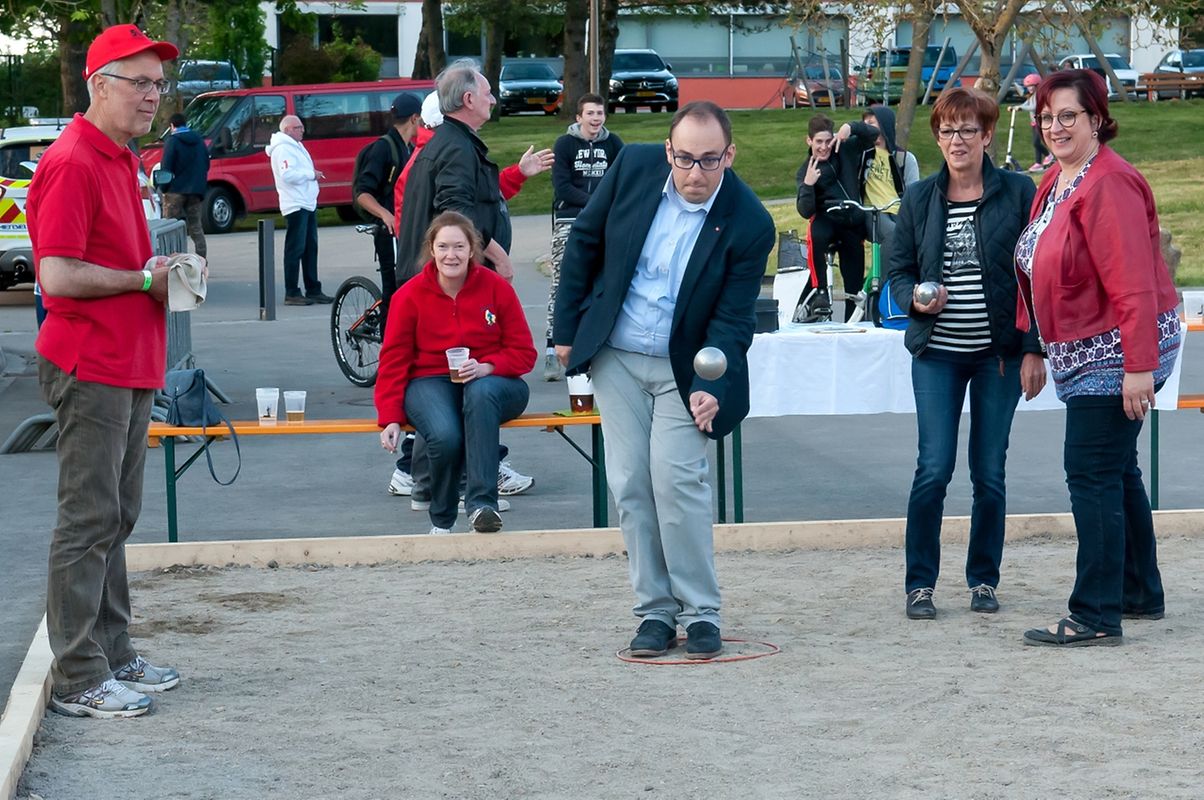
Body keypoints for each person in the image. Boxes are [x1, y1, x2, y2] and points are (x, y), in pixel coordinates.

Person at [554, 101, 775, 660]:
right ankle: (654, 612)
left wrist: (712, 384)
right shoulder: (633, 167)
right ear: (668, 150)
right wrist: (566, 329)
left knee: (676, 482)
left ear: (730, 155)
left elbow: (733, 319)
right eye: (684, 159)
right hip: (618, 355)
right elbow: (584, 241)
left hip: (687, 367)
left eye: (709, 160)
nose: (695, 173)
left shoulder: (750, 222)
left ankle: (701, 613)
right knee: (630, 482)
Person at [27, 23, 183, 719]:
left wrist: (158, 273)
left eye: (159, 84)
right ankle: (79, 674)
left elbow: (111, 260)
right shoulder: (73, 161)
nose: (153, 95)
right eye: (139, 82)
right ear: (99, 85)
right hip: (91, 362)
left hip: (126, 360)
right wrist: (142, 279)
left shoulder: (120, 157)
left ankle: (112, 652)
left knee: (115, 517)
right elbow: (57, 275)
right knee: (88, 520)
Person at [1016, 69, 1181, 647]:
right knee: (1115, 468)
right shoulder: (1059, 178)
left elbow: (1133, 281)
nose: (1055, 126)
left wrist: (1137, 366)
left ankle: (1095, 614)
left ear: (1096, 119)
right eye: (1047, 117)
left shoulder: (1108, 183)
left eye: (1069, 116)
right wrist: (1036, 344)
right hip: (1084, 344)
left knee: (1090, 472)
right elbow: (1039, 266)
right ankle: (1138, 591)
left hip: (1118, 347)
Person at [886, 87, 1043, 621]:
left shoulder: (1018, 192)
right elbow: (898, 272)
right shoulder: (919, 199)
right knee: (933, 468)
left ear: (987, 135)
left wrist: (1033, 350)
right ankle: (920, 585)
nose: (957, 140)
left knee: (989, 473)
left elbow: (1035, 275)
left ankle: (983, 579)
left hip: (998, 356)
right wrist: (915, 297)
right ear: (937, 138)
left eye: (968, 130)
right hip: (938, 354)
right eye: (948, 131)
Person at [388, 71, 549, 502]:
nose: (494, 99)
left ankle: (433, 478)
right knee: (454, 380)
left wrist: (518, 174)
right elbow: (456, 214)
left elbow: (480, 196)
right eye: (488, 93)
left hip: (433, 277)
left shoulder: (451, 143)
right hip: (439, 282)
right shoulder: (455, 147)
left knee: (465, 382)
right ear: (467, 99)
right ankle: (446, 478)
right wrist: (497, 256)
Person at [376, 212, 536, 534]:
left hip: (492, 381)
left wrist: (488, 366)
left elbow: (524, 353)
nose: (452, 255)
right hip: (429, 380)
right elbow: (394, 360)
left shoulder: (495, 287)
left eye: (459, 246)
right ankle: (442, 518)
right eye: (444, 247)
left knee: (480, 394)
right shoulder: (409, 295)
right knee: (446, 435)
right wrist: (389, 417)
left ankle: (482, 505)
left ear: (472, 249)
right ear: (431, 250)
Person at [544, 92, 624, 381]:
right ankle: (552, 349)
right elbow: (563, 187)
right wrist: (596, 204)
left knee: (604, 281)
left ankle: (597, 347)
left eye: (600, 113)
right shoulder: (565, 144)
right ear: (579, 117)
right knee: (561, 283)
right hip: (571, 220)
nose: (595, 118)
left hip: (604, 222)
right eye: (590, 113)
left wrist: (603, 208)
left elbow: (620, 180)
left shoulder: (614, 144)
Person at [795, 114, 879, 320]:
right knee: (816, 231)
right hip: (827, 219)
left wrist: (851, 127)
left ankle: (853, 318)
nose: (824, 147)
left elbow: (874, 134)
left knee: (853, 282)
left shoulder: (845, 149)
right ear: (809, 141)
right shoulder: (806, 170)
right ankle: (820, 291)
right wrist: (808, 185)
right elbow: (805, 211)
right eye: (818, 142)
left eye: (827, 141)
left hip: (851, 220)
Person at [353, 92, 423, 316]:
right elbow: (362, 193)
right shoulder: (383, 148)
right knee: (393, 292)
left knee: (410, 288)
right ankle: (387, 333)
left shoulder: (409, 148)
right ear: (414, 118)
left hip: (405, 229)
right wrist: (385, 214)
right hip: (388, 231)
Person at [267, 114, 332, 306]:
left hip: (307, 202)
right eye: (298, 127)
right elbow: (287, 174)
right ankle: (292, 291)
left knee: (310, 247)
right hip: (295, 204)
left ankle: (313, 288)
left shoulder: (295, 146)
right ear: (287, 129)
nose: (302, 130)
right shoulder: (283, 148)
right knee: (295, 248)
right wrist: (311, 174)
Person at [859, 105, 920, 272]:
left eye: (871, 123)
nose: (866, 127)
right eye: (864, 123)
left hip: (898, 210)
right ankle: (887, 280)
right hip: (871, 211)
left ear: (884, 124)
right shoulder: (861, 154)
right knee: (892, 234)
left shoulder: (904, 158)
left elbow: (914, 194)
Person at [160, 111, 209, 258]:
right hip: (196, 191)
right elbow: (206, 163)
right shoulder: (199, 140)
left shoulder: (172, 141)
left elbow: (166, 166)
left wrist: (164, 188)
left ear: (172, 125)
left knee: (169, 228)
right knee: (196, 227)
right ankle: (202, 260)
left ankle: (171, 259)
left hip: (175, 191)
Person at [1017, 73, 1053, 172]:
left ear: (1037, 85)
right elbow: (1026, 104)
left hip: (1040, 121)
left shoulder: (1039, 95)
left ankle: (1048, 155)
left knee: (1036, 142)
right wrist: (1016, 107)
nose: (1030, 88)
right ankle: (1038, 163)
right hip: (1034, 122)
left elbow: (1033, 107)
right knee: (1035, 143)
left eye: (1032, 86)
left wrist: (1021, 108)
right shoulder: (1031, 96)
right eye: (1028, 87)